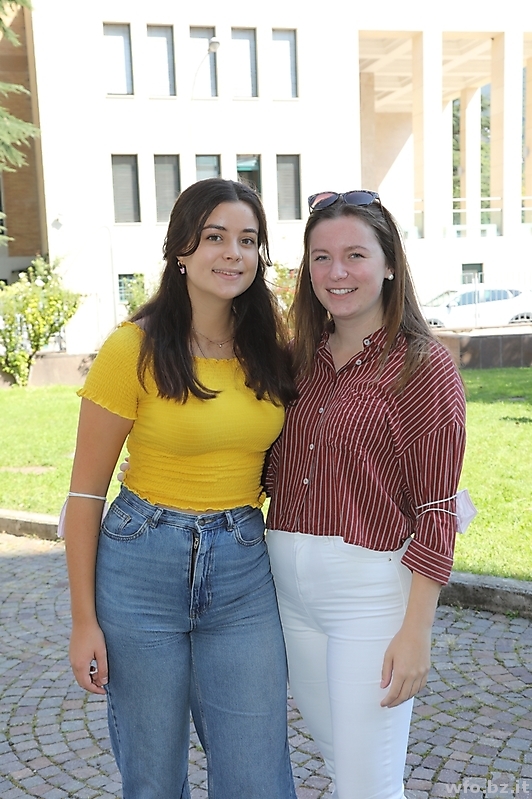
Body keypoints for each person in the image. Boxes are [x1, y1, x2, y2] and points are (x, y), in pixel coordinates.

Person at [63, 178, 298, 799]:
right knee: (154, 779)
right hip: (141, 564)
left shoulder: (272, 351)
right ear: (181, 250)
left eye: (247, 240)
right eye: (215, 236)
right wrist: (83, 621)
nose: (233, 253)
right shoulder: (132, 348)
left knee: (256, 778)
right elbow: (84, 496)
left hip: (242, 569)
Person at [265, 190, 466, 799]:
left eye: (355, 254)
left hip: (369, 598)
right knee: (343, 766)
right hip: (289, 593)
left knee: (366, 787)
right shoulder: (296, 360)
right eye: (321, 257)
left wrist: (416, 632)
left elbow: (438, 509)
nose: (337, 272)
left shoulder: (422, 366)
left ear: (389, 264)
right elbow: (263, 466)